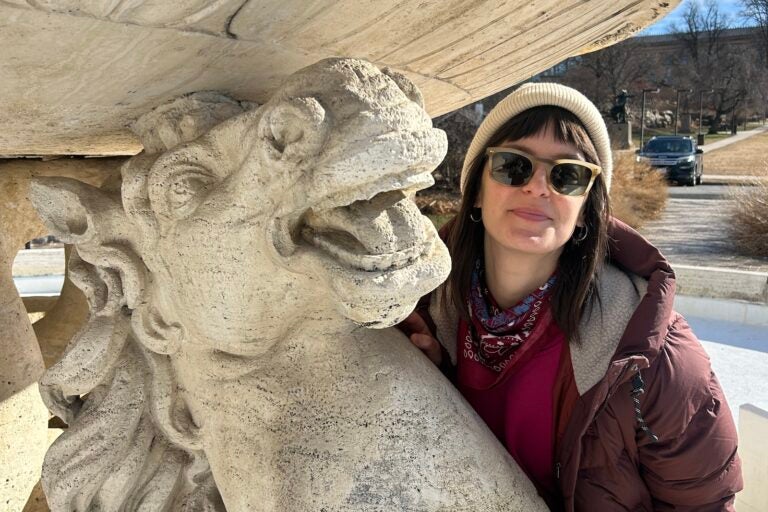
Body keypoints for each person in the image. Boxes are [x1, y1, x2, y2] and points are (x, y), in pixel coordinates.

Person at [399, 83, 742, 511]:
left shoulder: (652, 354)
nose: (539, 187)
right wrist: (426, 379)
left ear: (585, 211)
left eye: (567, 175)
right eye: (513, 166)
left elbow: (703, 505)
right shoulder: (414, 313)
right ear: (476, 192)